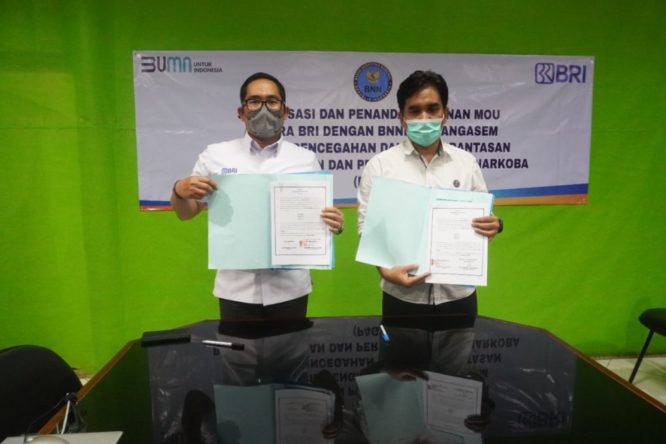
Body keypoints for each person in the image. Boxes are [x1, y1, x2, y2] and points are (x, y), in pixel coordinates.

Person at [171, 72, 344, 320]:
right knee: (237, 347)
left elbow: (317, 217)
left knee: (291, 346)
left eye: (272, 101)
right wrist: (179, 190)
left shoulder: (305, 159)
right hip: (236, 290)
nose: (264, 108)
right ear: (241, 112)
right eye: (254, 101)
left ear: (285, 111)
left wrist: (334, 224)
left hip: (290, 289)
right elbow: (186, 213)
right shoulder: (215, 155)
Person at [357, 70, 502, 317]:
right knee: (399, 346)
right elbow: (367, 228)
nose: (424, 118)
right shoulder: (380, 166)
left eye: (432, 109)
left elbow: (483, 220)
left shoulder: (466, 163)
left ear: (445, 114)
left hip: (458, 297)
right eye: (414, 110)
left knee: (460, 346)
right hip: (401, 297)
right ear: (401, 118)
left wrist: (493, 225)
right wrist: (385, 271)